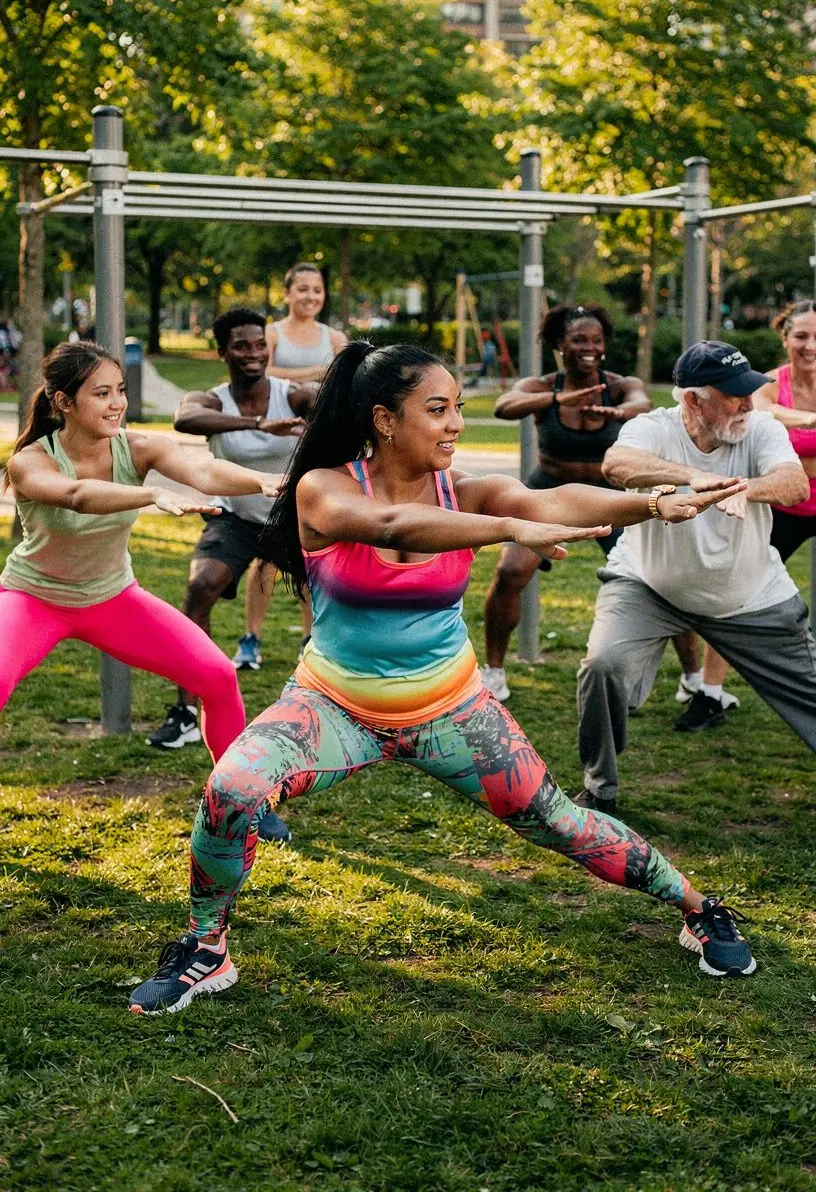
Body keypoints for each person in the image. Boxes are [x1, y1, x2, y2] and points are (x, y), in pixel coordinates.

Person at [128, 342, 756, 1014]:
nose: (456, 423)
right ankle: (205, 947)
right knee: (234, 787)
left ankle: (698, 907)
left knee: (560, 822)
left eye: (458, 408)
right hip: (335, 707)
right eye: (438, 409)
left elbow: (556, 498)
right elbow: (391, 523)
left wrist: (656, 503)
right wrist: (510, 526)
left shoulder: (466, 490)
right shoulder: (324, 487)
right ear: (385, 420)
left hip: (453, 710)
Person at [0, 341, 286, 763]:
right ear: (63, 402)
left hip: (112, 598)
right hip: (34, 598)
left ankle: (237, 804)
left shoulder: (138, 447)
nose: (117, 404)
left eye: (120, 390)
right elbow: (77, 495)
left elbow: (204, 471)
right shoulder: (30, 461)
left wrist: (259, 481)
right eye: (101, 394)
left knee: (218, 676)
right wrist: (149, 493)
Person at [576, 339, 815, 814]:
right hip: (648, 585)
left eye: (750, 390)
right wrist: (691, 475)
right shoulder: (653, 427)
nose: (748, 402)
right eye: (733, 394)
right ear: (692, 400)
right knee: (602, 666)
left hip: (749, 597)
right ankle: (599, 788)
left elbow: (795, 484)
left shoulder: (760, 427)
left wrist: (745, 488)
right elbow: (616, 465)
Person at [481, 303, 699, 703]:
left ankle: (694, 677)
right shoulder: (542, 385)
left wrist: (618, 411)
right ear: (560, 345)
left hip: (607, 494)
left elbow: (641, 401)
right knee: (511, 572)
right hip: (547, 490)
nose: (589, 347)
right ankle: (493, 671)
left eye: (596, 340)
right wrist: (556, 398)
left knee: (657, 577)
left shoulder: (617, 385)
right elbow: (504, 405)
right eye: (579, 339)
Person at [144, 308, 313, 770]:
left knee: (338, 588)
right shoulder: (213, 398)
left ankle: (346, 704)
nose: (253, 353)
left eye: (259, 344)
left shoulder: (290, 394)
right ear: (222, 352)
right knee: (200, 587)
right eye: (241, 345)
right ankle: (184, 711)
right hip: (234, 517)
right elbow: (186, 419)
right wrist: (258, 427)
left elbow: (318, 401)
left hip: (288, 518)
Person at [233, 262, 347, 672]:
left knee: (309, 551)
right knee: (265, 553)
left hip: (316, 450)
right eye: (302, 289)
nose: (310, 297)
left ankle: (309, 639)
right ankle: (251, 639)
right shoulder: (272, 334)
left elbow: (345, 382)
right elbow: (260, 372)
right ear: (287, 293)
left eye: (316, 290)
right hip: (275, 449)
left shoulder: (334, 337)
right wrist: (316, 372)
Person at [753, 300, 816, 562]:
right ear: (785, 338)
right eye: (801, 337)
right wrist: (810, 419)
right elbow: (761, 412)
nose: (810, 346)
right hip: (782, 506)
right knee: (755, 583)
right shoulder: (770, 384)